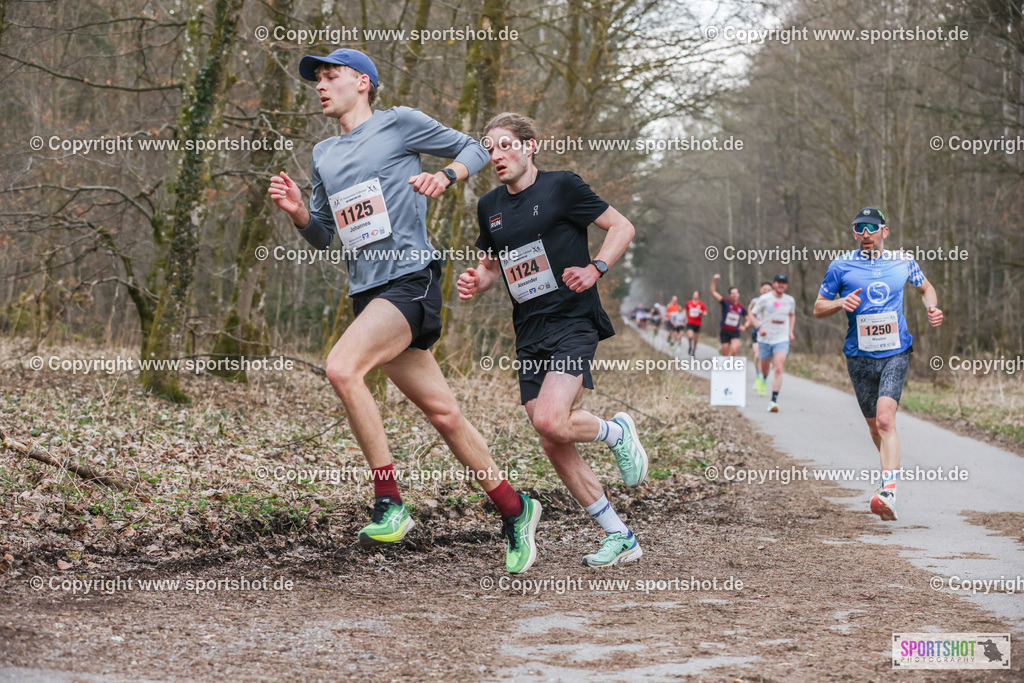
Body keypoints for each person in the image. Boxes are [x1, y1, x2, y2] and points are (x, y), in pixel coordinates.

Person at [268, 49, 540, 573]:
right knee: (444, 414)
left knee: (342, 368)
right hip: (368, 294)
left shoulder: (399, 124)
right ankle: (515, 506)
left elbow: (474, 148)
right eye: (317, 79)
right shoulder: (324, 154)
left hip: (410, 281)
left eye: (330, 76)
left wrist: (447, 176)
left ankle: (389, 502)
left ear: (362, 82)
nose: (320, 86)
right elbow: (323, 235)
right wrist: (299, 213)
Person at [458, 112, 649, 568]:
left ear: (530, 146)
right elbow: (492, 267)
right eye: (489, 147)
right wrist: (477, 281)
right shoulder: (489, 206)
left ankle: (616, 432)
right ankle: (620, 536)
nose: (497, 155)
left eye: (506, 144)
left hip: (572, 320)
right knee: (551, 436)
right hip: (529, 331)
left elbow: (622, 227)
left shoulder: (563, 186)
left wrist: (596, 268)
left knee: (549, 419)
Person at [813, 207, 943, 521]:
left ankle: (889, 493)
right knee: (874, 427)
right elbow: (818, 308)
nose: (866, 234)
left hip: (896, 351)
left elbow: (926, 288)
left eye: (872, 228)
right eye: (859, 228)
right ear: (854, 233)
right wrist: (840, 302)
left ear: (885, 231)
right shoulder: (841, 265)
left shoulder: (903, 261)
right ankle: (887, 477)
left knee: (886, 420)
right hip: (858, 356)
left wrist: (933, 307)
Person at [749, 274, 796, 412]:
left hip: (781, 338)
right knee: (765, 368)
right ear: (774, 284)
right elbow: (752, 314)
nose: (781, 285)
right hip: (765, 338)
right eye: (779, 282)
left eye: (784, 283)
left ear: (786, 285)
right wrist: (759, 327)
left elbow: (792, 315)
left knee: (778, 368)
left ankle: (773, 401)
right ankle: (763, 377)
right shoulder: (764, 299)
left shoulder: (790, 300)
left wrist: (790, 331)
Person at [710, 274, 748, 356]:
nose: (735, 295)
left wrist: (744, 326)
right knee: (725, 352)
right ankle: (723, 353)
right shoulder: (726, 302)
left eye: (736, 293)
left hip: (735, 331)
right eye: (732, 293)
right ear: (730, 295)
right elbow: (713, 292)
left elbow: (748, 319)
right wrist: (714, 280)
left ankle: (731, 363)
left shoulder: (741, 307)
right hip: (725, 331)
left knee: (734, 350)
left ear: (738, 294)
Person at [749, 281, 772, 393]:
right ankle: (758, 376)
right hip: (757, 332)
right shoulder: (756, 301)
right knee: (758, 355)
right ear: (761, 290)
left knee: (767, 360)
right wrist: (750, 306)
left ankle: (764, 379)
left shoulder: (775, 302)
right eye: (765, 289)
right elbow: (750, 314)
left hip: (770, 334)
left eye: (769, 290)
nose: (766, 291)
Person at [684, 290, 707, 357]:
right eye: (694, 294)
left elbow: (705, 313)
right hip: (690, 322)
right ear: (692, 295)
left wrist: (701, 311)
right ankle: (690, 345)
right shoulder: (688, 303)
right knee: (690, 336)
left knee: (695, 339)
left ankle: (694, 351)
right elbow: (685, 309)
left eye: (696, 294)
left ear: (698, 296)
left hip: (697, 324)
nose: (695, 296)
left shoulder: (701, 304)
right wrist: (685, 317)